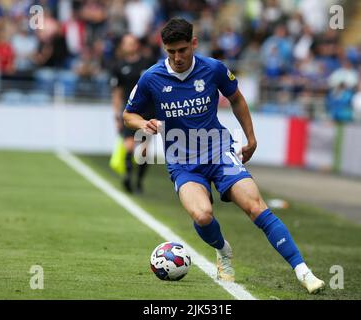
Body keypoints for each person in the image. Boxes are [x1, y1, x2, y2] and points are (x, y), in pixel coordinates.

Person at [122, 18, 325, 294]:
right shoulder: (151, 78)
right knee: (203, 215)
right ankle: (223, 250)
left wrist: (251, 138)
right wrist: (142, 124)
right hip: (183, 163)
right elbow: (128, 114)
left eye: (182, 50)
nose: (177, 57)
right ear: (164, 48)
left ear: (194, 43)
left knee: (256, 206)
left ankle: (304, 272)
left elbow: (237, 99)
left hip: (218, 151)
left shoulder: (213, 69)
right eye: (171, 52)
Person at [111, 34, 155, 193]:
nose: (129, 46)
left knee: (143, 150)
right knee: (129, 145)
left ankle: (139, 182)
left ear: (137, 45)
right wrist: (116, 115)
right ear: (123, 46)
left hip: (148, 111)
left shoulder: (147, 63)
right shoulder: (119, 66)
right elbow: (117, 92)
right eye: (126, 43)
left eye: (132, 43)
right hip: (130, 111)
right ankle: (128, 179)